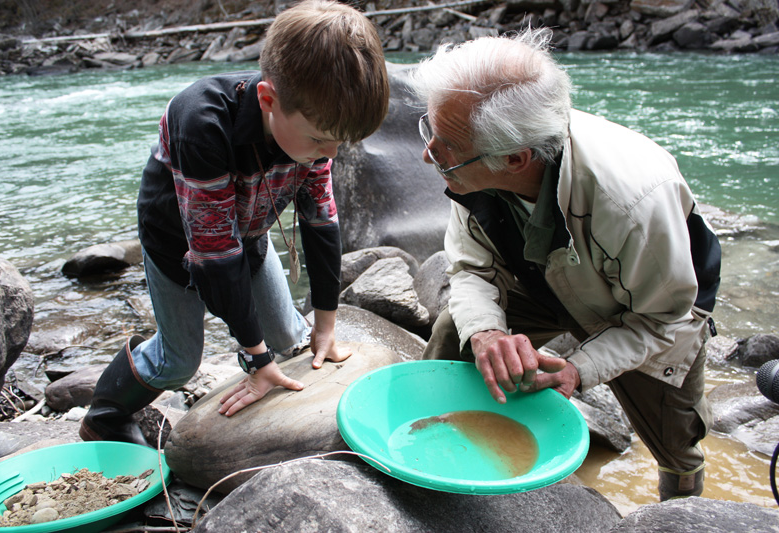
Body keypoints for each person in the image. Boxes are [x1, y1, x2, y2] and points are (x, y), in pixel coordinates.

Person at [412, 28, 721, 501]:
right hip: (541, 282)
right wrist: (487, 333)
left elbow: (663, 321)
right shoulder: (473, 151)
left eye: (445, 147)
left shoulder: (632, 202)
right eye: (428, 131)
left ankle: (679, 512)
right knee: (458, 328)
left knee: (678, 446)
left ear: (515, 158)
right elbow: (471, 267)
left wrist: (579, 368)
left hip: (650, 312)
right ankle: (433, 447)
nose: (429, 153)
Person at [80, 0, 389, 446]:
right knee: (180, 362)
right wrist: (256, 361)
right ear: (268, 99)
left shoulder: (315, 133)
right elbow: (213, 256)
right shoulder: (200, 121)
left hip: (249, 234)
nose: (332, 155)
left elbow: (321, 225)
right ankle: (103, 415)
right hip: (177, 247)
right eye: (322, 140)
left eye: (342, 142)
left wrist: (326, 326)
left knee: (292, 337)